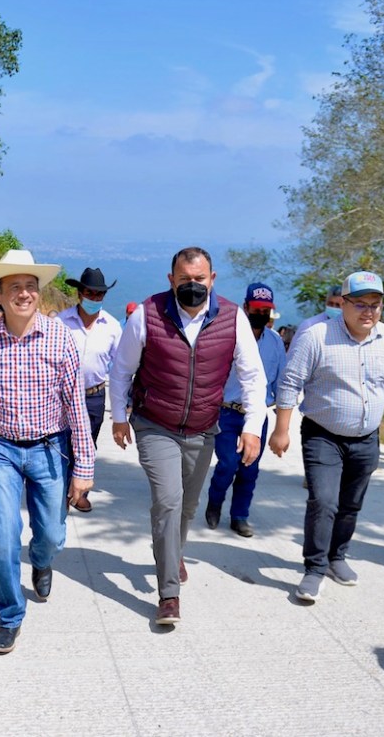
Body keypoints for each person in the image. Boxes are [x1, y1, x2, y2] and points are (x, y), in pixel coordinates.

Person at [109, 247, 266, 625]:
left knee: (188, 506)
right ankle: (168, 594)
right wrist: (118, 417)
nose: (192, 286)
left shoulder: (233, 318)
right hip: (154, 423)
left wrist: (251, 428)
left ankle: (172, 551)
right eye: (184, 280)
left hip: (203, 427)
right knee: (168, 500)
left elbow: (253, 377)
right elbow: (121, 370)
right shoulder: (147, 314)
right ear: (171, 280)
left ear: (212, 279)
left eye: (199, 279)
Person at [0, 250, 95, 655]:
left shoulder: (59, 338)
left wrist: (84, 467)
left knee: (51, 535)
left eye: (30, 286)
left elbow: (75, 405)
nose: (24, 293)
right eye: (14, 287)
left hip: (50, 448)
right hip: (0, 450)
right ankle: (10, 616)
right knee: (3, 536)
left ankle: (41, 559)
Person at [269, 271, 384, 604]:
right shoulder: (316, 336)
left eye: (375, 305)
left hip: (367, 438)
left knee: (351, 504)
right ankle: (315, 568)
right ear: (344, 304)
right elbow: (291, 382)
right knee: (324, 501)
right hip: (323, 435)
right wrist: (281, 429)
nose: (368, 311)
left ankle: (337, 556)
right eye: (360, 304)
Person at [205, 282, 287, 537]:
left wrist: (282, 426)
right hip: (226, 412)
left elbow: (281, 381)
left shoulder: (275, 343)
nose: (260, 314)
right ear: (246, 307)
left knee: (249, 468)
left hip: (257, 414)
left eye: (265, 310)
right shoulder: (230, 336)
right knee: (228, 463)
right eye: (256, 308)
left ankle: (240, 516)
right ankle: (215, 502)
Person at [57, 266, 122, 512]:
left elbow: (120, 367)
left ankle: (80, 493)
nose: (94, 298)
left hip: (94, 396)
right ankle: (63, 493)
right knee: (63, 445)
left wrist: (122, 406)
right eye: (89, 293)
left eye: (99, 294)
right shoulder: (60, 322)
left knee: (87, 445)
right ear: (79, 293)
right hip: (62, 398)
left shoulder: (112, 327)